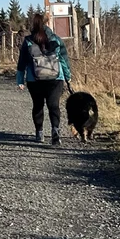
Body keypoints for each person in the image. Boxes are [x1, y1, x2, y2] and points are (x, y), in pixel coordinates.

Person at [17, 13, 71, 144]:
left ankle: (39, 133)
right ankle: (55, 131)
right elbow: (63, 60)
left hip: (34, 79)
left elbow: (22, 62)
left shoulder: (28, 41)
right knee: (54, 105)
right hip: (55, 78)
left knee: (38, 106)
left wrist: (20, 79)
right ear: (48, 23)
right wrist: (68, 76)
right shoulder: (56, 39)